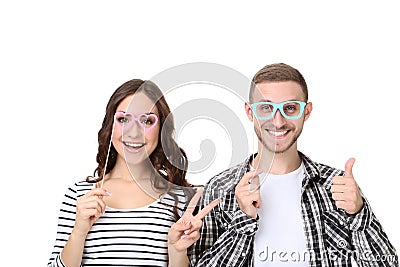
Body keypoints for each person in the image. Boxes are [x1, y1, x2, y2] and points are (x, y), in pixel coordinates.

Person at [189, 63, 398, 266]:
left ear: (306, 112)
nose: (278, 121)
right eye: (265, 108)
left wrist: (359, 213)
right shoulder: (220, 188)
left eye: (290, 108)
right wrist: (243, 221)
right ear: (250, 112)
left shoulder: (337, 186)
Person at [48, 79, 219, 267]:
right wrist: (79, 232)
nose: (134, 132)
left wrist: (178, 253)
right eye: (123, 119)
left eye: (147, 121)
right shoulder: (79, 196)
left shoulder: (185, 201)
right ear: (109, 126)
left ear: (162, 129)